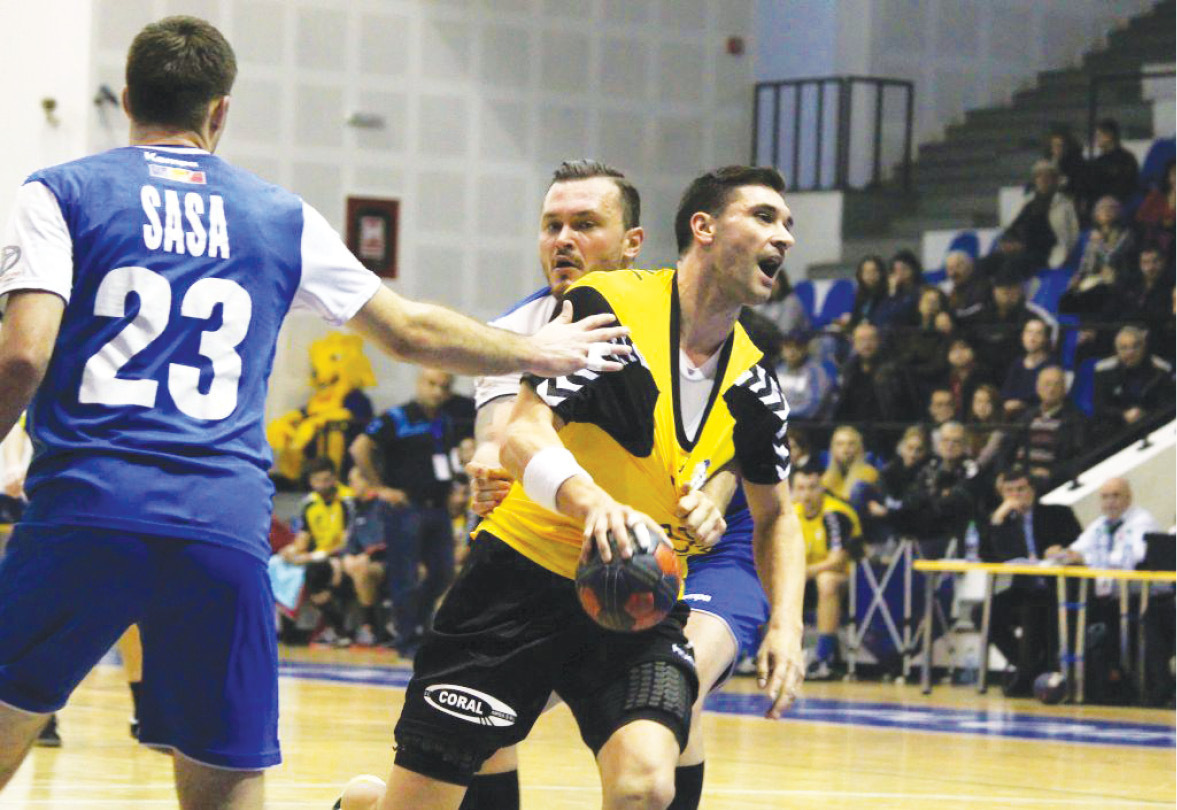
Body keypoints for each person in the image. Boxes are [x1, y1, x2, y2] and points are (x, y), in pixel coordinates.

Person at [0, 16, 629, 809]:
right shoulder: (278, 215)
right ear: (220, 111)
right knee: (223, 778)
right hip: (222, 525)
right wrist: (536, 349)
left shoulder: (60, 192)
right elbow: (408, 330)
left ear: (127, 99)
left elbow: (22, 357)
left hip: (90, 505)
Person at [343, 166, 807, 810]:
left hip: (634, 595)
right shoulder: (608, 307)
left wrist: (787, 624)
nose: (783, 235)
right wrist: (592, 503)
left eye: (787, 223)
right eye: (763, 217)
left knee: (646, 784)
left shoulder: (756, 384)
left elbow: (777, 517)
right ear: (702, 228)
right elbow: (520, 433)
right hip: (517, 584)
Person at [350, 368, 464, 654]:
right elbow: (359, 448)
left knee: (443, 572)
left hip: (438, 509)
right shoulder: (398, 417)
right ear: (419, 383)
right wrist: (379, 487)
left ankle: (418, 623)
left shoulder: (445, 421)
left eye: (444, 386)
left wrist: (452, 490)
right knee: (405, 576)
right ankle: (407, 639)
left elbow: (446, 460)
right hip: (405, 508)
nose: (437, 391)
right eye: (432, 384)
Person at [1046, 478, 1160, 703]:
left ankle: (1123, 684)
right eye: (1105, 497)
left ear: (1128, 497)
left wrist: (1085, 559)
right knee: (1058, 609)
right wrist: (1060, 553)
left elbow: (1134, 557)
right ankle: (1072, 678)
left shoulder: (1142, 521)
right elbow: (1078, 549)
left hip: (1137, 596)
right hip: (1106, 595)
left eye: (1116, 496)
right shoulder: (1099, 525)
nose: (1110, 502)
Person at [973, 467, 1081, 696]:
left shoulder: (1058, 514)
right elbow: (987, 555)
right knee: (982, 612)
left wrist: (1060, 552)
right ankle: (1030, 670)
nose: (1016, 496)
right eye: (1009, 491)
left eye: (1021, 489)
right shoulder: (1000, 519)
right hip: (1021, 588)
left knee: (1033, 609)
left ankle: (1026, 675)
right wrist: (997, 520)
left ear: (1032, 490)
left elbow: (1078, 547)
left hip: (1054, 590)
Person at [792, 462, 861, 681]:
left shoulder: (835, 514)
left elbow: (837, 561)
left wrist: (802, 572)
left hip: (849, 582)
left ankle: (824, 658)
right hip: (804, 579)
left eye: (812, 488)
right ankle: (755, 654)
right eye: (801, 488)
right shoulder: (790, 514)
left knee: (827, 580)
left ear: (822, 488)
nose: (806, 495)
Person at [1006, 366, 1088, 488]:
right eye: (1047, 384)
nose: (1051, 389)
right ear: (1037, 387)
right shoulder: (1025, 417)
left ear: (1064, 389)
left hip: (1047, 481)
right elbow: (1006, 449)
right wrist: (1000, 474)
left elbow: (1078, 458)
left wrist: (1052, 473)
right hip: (1017, 477)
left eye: (1056, 384)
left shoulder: (1075, 420)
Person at [1093, 325, 1176, 438]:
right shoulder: (1104, 372)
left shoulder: (1160, 371)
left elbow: (1168, 406)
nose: (1130, 352)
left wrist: (1145, 415)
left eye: (1135, 346)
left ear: (1143, 347)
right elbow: (1100, 407)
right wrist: (1123, 415)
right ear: (1116, 350)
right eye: (1124, 348)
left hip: (1155, 428)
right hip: (1116, 432)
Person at [998, 160, 1080, 270]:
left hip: (1047, 253)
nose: (1043, 179)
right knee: (987, 263)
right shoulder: (1029, 202)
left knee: (1011, 266)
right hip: (1023, 250)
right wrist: (1007, 241)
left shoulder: (1064, 204)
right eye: (1039, 176)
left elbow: (1071, 234)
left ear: (1055, 180)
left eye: (1047, 176)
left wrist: (1023, 246)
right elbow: (1013, 227)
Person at [999, 316, 1053, 419]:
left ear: (1045, 339)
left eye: (1038, 333)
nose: (1032, 338)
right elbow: (1006, 393)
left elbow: (1047, 398)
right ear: (1022, 336)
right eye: (1029, 332)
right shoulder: (1017, 364)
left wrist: (1022, 404)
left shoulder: (1050, 366)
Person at [774, 330, 835, 421]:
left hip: (803, 423)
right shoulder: (778, 370)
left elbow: (812, 407)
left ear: (805, 348)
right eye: (788, 346)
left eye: (797, 346)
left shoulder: (817, 373)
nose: (792, 351)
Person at [1086, 119, 1140, 207]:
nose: (1096, 139)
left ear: (1109, 136)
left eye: (1099, 135)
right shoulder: (1098, 161)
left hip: (1118, 204)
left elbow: (1127, 185)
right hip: (1099, 205)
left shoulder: (1126, 159)